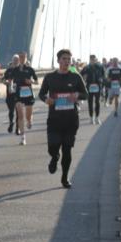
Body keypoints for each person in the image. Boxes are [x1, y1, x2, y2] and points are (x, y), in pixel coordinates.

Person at [39, 49, 88, 188]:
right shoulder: (50, 77)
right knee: (52, 147)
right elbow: (41, 94)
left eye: (69, 59)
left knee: (67, 150)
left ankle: (65, 178)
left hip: (71, 120)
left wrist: (77, 95)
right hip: (54, 119)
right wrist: (46, 99)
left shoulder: (76, 77)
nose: (67, 61)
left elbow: (86, 94)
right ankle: (54, 157)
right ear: (58, 60)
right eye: (64, 59)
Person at [10, 51, 38, 145]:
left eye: (23, 57)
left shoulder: (30, 69)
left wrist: (31, 81)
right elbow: (10, 79)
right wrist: (10, 87)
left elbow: (36, 81)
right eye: (20, 57)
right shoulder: (15, 69)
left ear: (26, 58)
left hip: (28, 93)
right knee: (20, 115)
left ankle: (29, 121)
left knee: (28, 116)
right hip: (18, 94)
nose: (22, 59)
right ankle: (23, 137)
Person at [81, 54, 106, 124]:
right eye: (91, 59)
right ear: (90, 60)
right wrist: (84, 79)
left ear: (96, 59)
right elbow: (81, 75)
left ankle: (97, 117)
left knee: (97, 102)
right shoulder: (86, 67)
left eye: (94, 59)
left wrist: (102, 81)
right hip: (89, 86)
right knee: (90, 102)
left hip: (98, 86)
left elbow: (104, 76)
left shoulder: (100, 67)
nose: (93, 61)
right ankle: (91, 118)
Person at [2, 54, 20, 133]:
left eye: (17, 60)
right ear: (12, 61)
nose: (16, 61)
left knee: (18, 111)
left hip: (19, 95)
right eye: (14, 60)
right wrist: (6, 82)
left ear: (19, 61)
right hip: (10, 94)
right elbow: (3, 79)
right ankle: (11, 123)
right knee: (11, 111)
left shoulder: (21, 70)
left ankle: (18, 127)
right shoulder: (8, 71)